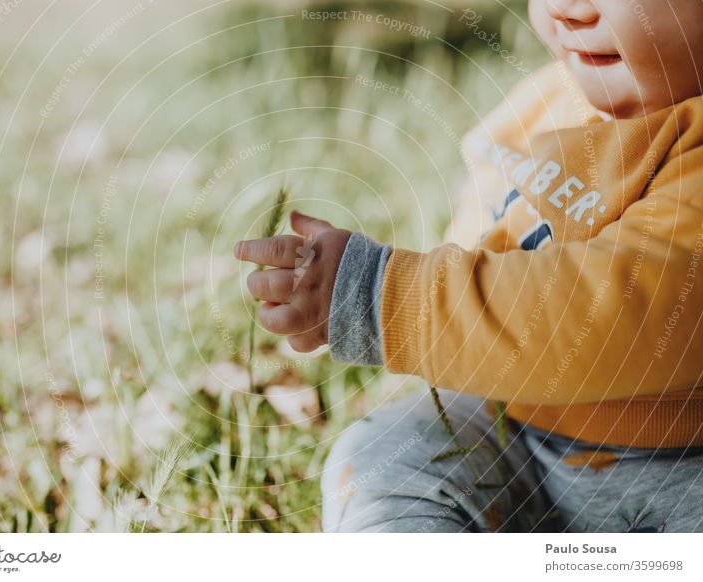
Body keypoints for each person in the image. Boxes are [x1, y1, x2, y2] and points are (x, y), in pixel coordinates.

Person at [233, 0, 703, 532]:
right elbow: (483, 234)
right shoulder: (546, 103)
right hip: (514, 430)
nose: (568, 8)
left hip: (674, 475)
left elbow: (610, 312)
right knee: (382, 458)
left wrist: (387, 298)